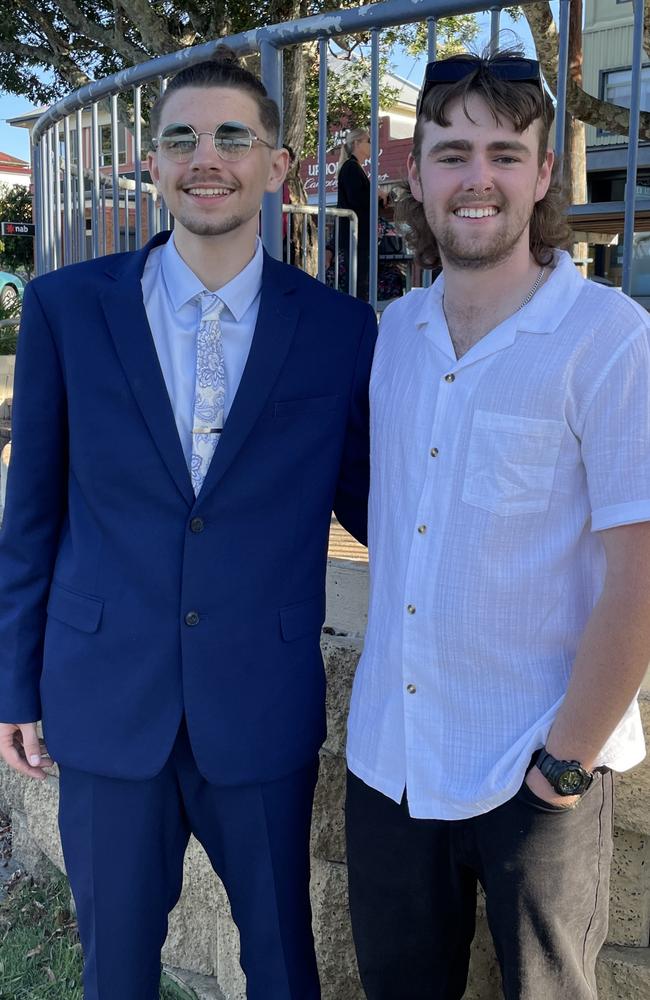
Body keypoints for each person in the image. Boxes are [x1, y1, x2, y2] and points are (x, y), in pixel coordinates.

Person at [0, 51, 376, 1000]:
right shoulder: (64, 311)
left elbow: (379, 507)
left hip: (259, 698)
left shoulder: (341, 330)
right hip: (104, 698)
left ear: (279, 166)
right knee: (115, 973)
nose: (206, 157)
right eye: (182, 138)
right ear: (153, 164)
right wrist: (12, 685)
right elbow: (31, 515)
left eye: (232, 136)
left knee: (284, 965)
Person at [345, 49, 650, 1000]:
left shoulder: (609, 339)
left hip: (536, 763)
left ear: (544, 172)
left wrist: (563, 764)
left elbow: (640, 572)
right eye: (451, 152)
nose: (477, 178)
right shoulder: (393, 334)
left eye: (504, 153)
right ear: (417, 174)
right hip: (389, 761)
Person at [337, 127, 371, 300]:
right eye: (368, 141)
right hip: (355, 236)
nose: (372, 145)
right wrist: (376, 194)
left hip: (359, 235)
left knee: (361, 280)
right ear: (357, 143)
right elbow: (357, 199)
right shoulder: (351, 168)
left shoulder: (354, 167)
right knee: (357, 282)